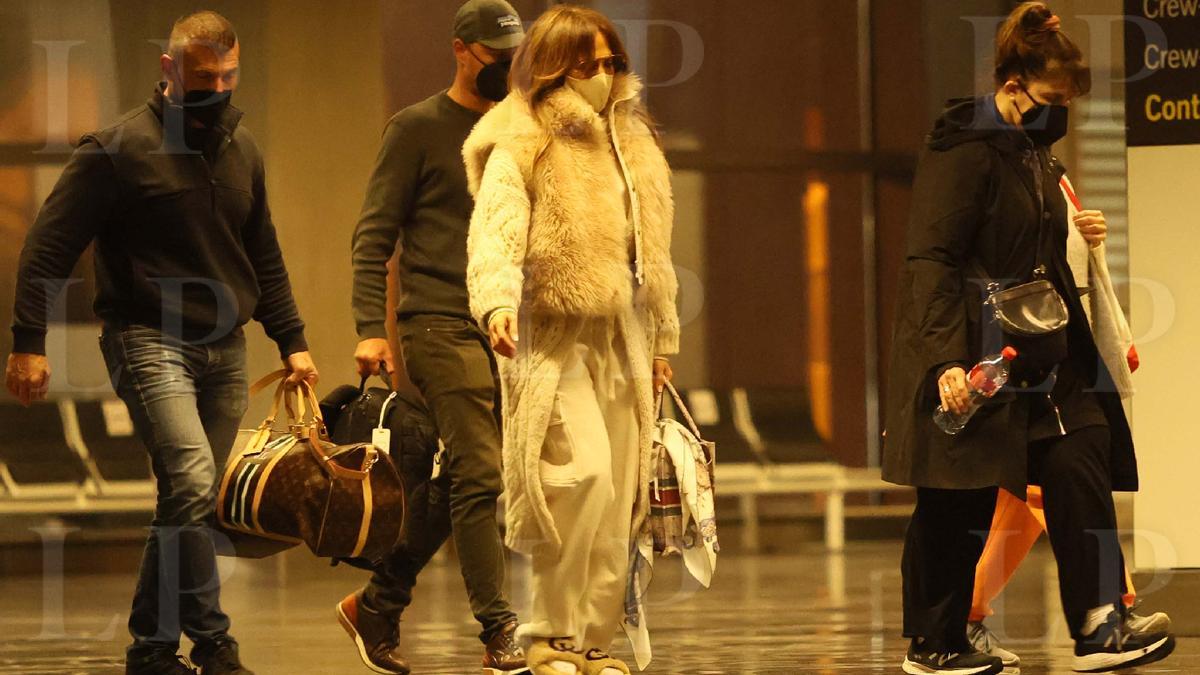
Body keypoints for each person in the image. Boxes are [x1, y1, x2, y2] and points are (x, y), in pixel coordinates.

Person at [5, 11, 317, 675]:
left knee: (190, 496)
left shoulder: (242, 150)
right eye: (206, 77)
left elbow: (261, 250)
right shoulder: (114, 149)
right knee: (193, 477)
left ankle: (150, 649)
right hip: (147, 337)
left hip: (226, 345)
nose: (220, 88)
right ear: (169, 70)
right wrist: (28, 340)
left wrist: (292, 338)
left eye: (229, 76)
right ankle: (213, 641)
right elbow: (48, 247)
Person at [881, 3, 1176, 673]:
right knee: (959, 492)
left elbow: (1035, 250)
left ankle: (1102, 620)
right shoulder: (964, 150)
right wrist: (944, 362)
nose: (1059, 113)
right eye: (1050, 98)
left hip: (1039, 351)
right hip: (971, 350)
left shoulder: (1032, 154)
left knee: (1083, 444)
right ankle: (937, 641)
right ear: (1013, 86)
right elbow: (931, 258)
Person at [464, 5, 679, 674]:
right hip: (550, 331)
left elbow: (656, 249)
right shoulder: (524, 135)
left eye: (612, 62)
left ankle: (593, 641)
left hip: (622, 332)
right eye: (589, 64)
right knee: (579, 472)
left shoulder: (634, 140)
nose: (604, 75)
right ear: (556, 65)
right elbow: (496, 228)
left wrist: (663, 337)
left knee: (618, 492)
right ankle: (548, 633)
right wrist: (496, 301)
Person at [344, 2, 527, 674]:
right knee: (481, 469)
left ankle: (379, 601)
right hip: (437, 323)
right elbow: (373, 237)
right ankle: (499, 626)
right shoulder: (418, 129)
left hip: (504, 328)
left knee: (460, 479)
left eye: (514, 50)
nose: (507, 64)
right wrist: (370, 327)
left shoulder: (522, 131)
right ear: (460, 49)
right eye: (493, 52)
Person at [966, 179, 1170, 669]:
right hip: (1011, 349)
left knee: (1061, 471)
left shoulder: (1047, 167)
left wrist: (1086, 237)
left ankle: (1107, 611)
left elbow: (1061, 255)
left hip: (1052, 343)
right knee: (1023, 493)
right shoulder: (984, 171)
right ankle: (958, 618)